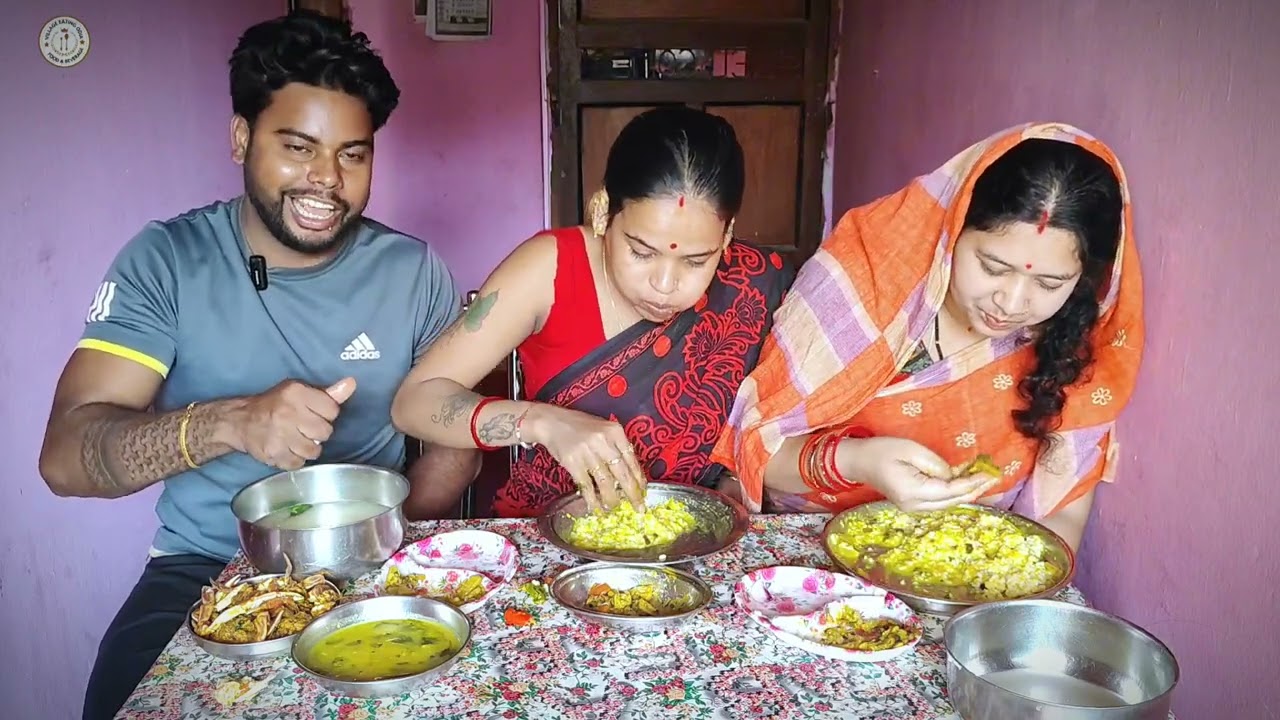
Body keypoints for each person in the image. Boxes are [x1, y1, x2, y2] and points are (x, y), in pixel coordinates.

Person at [37, 12, 478, 720]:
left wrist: (393, 543)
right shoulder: (168, 261)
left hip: (372, 572)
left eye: (353, 155)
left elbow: (456, 436)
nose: (326, 180)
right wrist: (232, 423)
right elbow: (64, 457)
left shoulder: (412, 270)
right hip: (202, 570)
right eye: (298, 147)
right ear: (242, 137)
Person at [713, 123, 1144, 552]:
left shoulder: (1078, 338)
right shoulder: (864, 287)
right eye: (992, 268)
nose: (1011, 303)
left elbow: (1062, 507)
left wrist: (1005, 580)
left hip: (969, 569)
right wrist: (861, 462)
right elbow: (757, 454)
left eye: (1049, 284)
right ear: (951, 228)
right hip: (810, 551)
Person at [392, 106, 795, 517]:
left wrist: (736, 481)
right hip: (549, 530)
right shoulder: (548, 270)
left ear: (726, 235)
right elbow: (414, 403)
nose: (665, 284)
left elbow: (775, 428)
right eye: (641, 251)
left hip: (697, 528)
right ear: (602, 211)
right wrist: (543, 422)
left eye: (695, 261)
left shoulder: (755, 284)